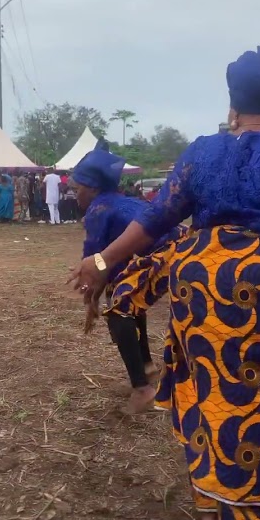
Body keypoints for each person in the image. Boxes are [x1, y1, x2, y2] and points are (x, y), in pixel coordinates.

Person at [66, 47, 260, 520]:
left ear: (233, 106)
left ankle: (211, 505)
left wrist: (100, 260)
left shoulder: (202, 151)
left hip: (199, 285)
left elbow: (158, 219)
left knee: (211, 386)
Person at [71, 143, 186, 412]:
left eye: (77, 190)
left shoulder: (99, 209)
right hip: (183, 247)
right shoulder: (122, 200)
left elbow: (95, 263)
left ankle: (143, 390)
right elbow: (110, 263)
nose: (74, 196)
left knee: (119, 309)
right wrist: (98, 295)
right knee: (126, 296)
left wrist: (92, 302)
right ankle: (146, 368)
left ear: (94, 188)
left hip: (170, 253)